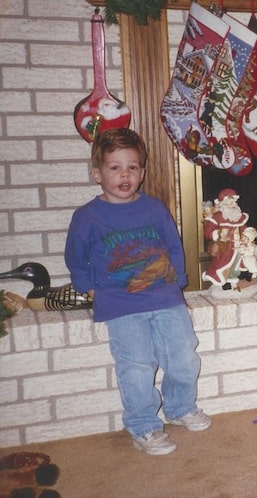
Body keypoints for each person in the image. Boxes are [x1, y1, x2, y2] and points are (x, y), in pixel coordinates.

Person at [64, 128, 210, 456]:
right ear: (97, 173)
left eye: (132, 167)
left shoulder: (155, 208)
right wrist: (87, 288)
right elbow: (76, 257)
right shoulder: (87, 216)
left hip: (165, 295)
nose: (125, 174)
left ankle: (179, 407)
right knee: (137, 365)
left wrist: (179, 280)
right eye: (115, 167)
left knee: (184, 355)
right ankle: (143, 425)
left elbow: (173, 245)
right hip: (120, 303)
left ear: (142, 172)